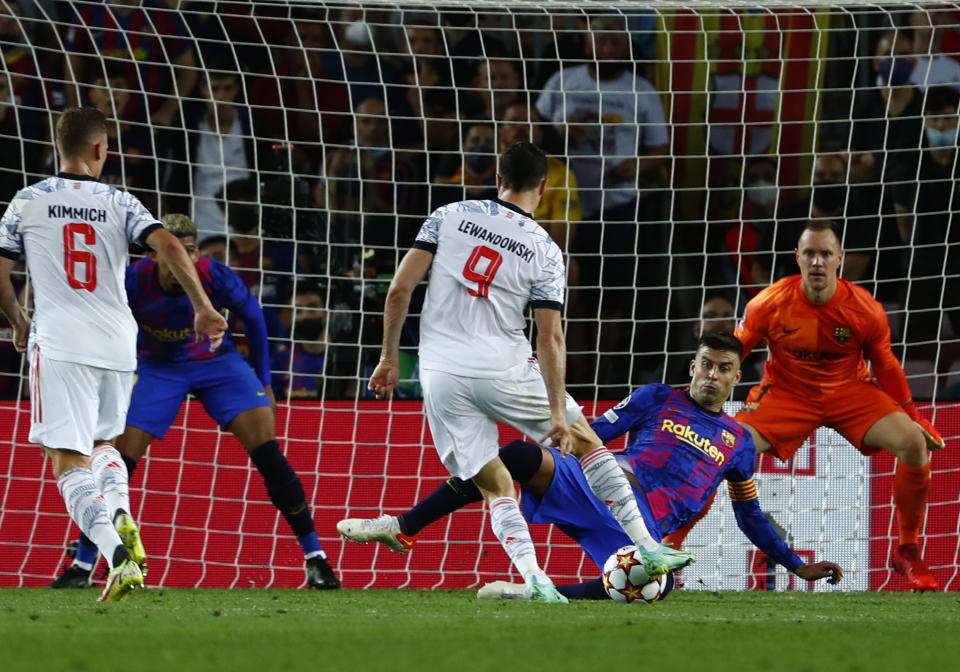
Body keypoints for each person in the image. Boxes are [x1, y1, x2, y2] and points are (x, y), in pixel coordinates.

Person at [350, 142, 694, 604]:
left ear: (497, 178)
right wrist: (555, 409)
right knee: (588, 441)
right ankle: (650, 549)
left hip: (440, 373)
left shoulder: (448, 214)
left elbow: (398, 290)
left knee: (495, 485)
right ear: (544, 186)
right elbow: (549, 337)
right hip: (504, 366)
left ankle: (534, 578)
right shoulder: (545, 249)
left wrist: (389, 357)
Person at [339, 332, 844, 600]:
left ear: (738, 378)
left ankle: (533, 590)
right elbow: (596, 434)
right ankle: (402, 527)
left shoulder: (739, 443)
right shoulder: (656, 398)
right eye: (705, 364)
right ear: (693, 366)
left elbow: (749, 516)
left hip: (640, 531)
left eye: (724, 368)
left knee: (655, 586)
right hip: (595, 488)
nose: (712, 375)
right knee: (517, 456)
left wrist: (795, 563)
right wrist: (560, 431)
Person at [0, 107, 227, 601]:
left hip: (61, 341)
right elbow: (167, 242)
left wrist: (18, 318)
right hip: (119, 343)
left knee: (67, 460)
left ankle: (115, 556)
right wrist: (203, 307)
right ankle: (120, 510)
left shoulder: (27, 201)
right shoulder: (119, 201)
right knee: (105, 444)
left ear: (57, 147)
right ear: (101, 149)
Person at [49, 214, 340, 591]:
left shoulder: (215, 275)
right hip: (158, 368)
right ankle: (84, 564)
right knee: (115, 460)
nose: (179, 263)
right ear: (154, 255)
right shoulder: (133, 280)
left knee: (270, 454)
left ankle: (316, 558)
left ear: (197, 252)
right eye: (171, 255)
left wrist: (265, 381)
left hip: (219, 364)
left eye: (187, 253)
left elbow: (253, 319)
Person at [734, 220, 943, 591]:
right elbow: (734, 353)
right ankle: (672, 545)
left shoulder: (864, 308)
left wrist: (913, 415)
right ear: (797, 257)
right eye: (810, 253)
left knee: (913, 442)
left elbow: (885, 365)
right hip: (787, 393)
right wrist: (701, 403)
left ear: (839, 258)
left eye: (826, 254)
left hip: (849, 392)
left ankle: (907, 550)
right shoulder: (767, 303)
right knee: (726, 450)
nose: (818, 261)